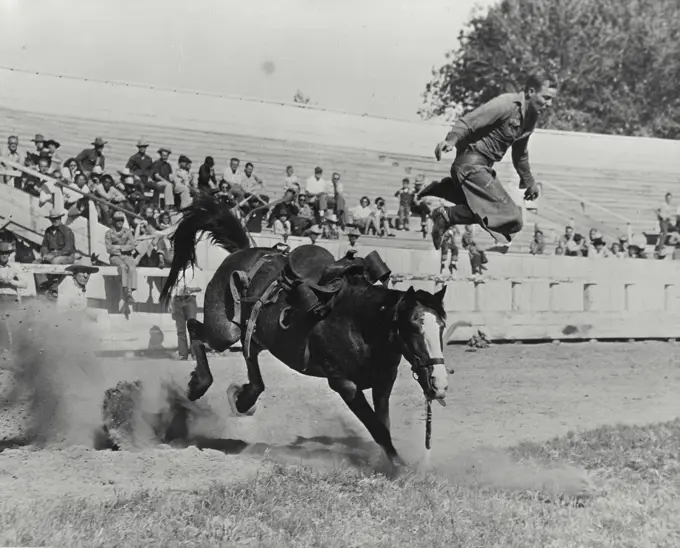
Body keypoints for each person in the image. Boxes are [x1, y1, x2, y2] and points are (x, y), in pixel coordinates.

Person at [421, 71, 558, 251]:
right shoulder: (507, 104)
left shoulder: (531, 117)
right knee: (512, 218)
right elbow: (471, 120)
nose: (549, 104)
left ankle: (447, 191)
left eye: (552, 100)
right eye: (546, 98)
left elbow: (520, 153)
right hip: (470, 165)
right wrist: (451, 139)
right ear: (531, 92)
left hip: (482, 169)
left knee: (509, 224)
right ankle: (446, 214)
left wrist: (529, 181)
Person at [105, 210, 137, 306]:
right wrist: (124, 248)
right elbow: (109, 249)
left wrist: (119, 247)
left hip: (126, 255)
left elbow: (132, 246)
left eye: (122, 220)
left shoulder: (127, 232)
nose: (120, 222)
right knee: (123, 267)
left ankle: (130, 293)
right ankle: (127, 291)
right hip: (114, 257)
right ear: (113, 221)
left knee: (132, 266)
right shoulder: (109, 233)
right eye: (117, 220)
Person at [0, 240, 28, 352]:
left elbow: (25, 284)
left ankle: (14, 353)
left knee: (13, 327)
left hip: (11, 298)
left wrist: (10, 282)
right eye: (1, 253)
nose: (4, 255)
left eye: (6, 253)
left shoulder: (14, 267)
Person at [170, 265, 202, 360]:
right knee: (180, 329)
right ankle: (183, 354)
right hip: (177, 300)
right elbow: (172, 289)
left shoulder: (195, 270)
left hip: (189, 300)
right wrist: (171, 304)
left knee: (193, 328)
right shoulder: (175, 270)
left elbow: (201, 287)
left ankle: (195, 354)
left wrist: (191, 289)